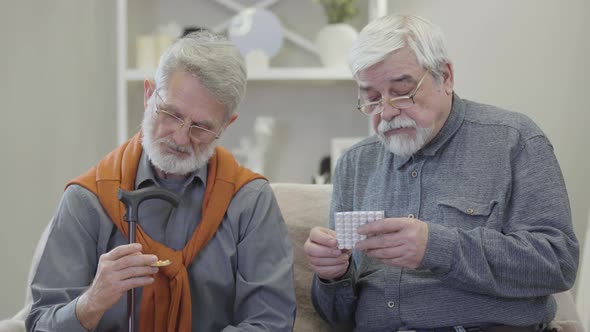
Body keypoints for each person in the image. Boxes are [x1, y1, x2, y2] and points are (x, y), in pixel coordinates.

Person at [304, 14, 579, 331]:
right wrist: (331, 275)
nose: (388, 112)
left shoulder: (514, 141)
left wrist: (437, 247)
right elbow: (335, 315)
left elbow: (558, 263)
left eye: (402, 91)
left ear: (445, 77)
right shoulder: (355, 163)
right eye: (372, 97)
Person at [26, 31, 296, 331]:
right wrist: (92, 302)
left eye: (201, 127)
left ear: (226, 124)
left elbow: (270, 323)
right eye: (170, 113)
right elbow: (39, 324)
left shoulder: (250, 201)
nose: (180, 137)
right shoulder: (87, 199)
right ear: (148, 94)